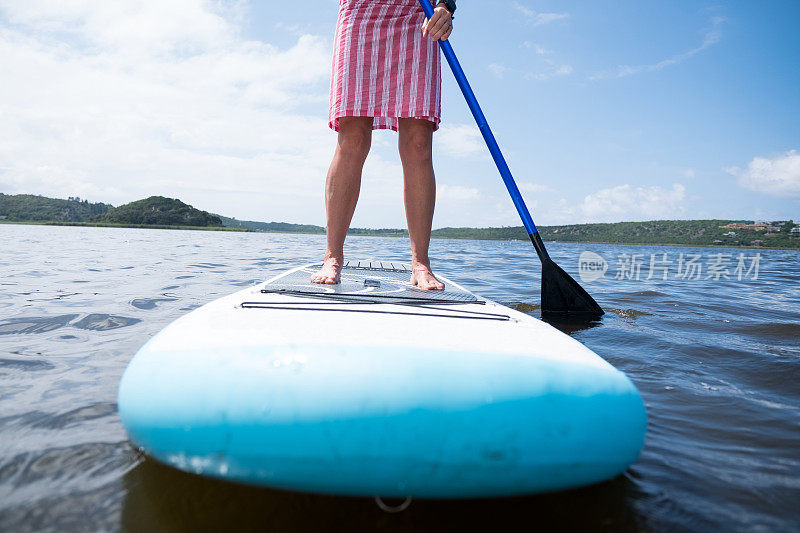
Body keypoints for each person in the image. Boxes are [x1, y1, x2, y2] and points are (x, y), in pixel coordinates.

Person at [311, 0, 456, 290]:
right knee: (352, 137)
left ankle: (420, 263)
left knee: (418, 142)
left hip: (418, 19)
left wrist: (445, 6)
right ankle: (332, 256)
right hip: (360, 13)